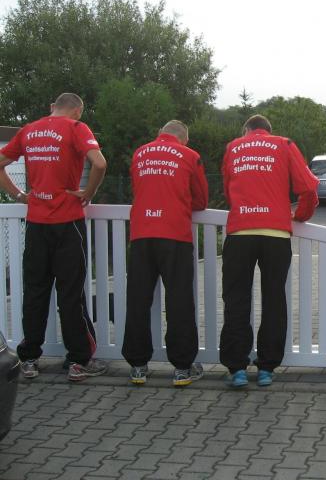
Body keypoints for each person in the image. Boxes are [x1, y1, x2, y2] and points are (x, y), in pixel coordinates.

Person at [0, 92, 108, 382]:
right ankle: (78, 361)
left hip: (37, 223)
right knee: (71, 294)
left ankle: (29, 359)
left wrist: (19, 195)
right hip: (67, 222)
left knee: (35, 291)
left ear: (52, 107)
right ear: (78, 111)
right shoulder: (76, 128)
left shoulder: (29, 130)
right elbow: (99, 164)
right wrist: (88, 193)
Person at [219, 114, 319, 388]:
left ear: (247, 130)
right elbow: (309, 187)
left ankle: (237, 369)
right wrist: (301, 215)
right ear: (268, 130)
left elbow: (228, 188)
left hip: (240, 231)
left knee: (236, 300)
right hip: (276, 233)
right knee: (274, 300)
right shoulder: (284, 144)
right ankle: (266, 368)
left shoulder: (233, 147)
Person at [122, 120, 209, 387]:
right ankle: (182, 367)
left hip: (141, 234)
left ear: (160, 134)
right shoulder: (190, 156)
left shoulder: (140, 153)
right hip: (174, 234)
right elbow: (201, 200)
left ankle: (137, 366)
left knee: (138, 300)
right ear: (184, 139)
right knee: (179, 300)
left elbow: (137, 189)